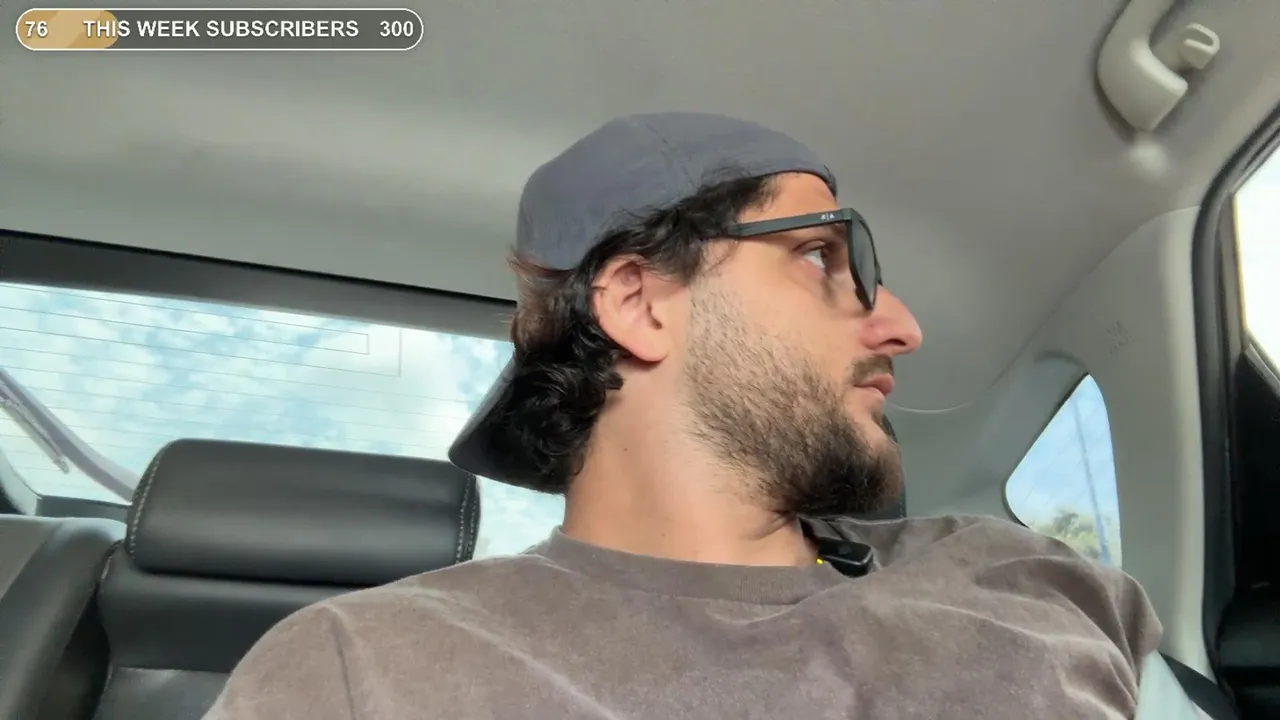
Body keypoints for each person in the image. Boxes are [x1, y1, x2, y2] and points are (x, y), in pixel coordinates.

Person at [203, 112, 1166, 719]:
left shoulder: (1033, 580)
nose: (902, 326)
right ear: (639, 303)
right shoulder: (363, 672)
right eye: (820, 257)